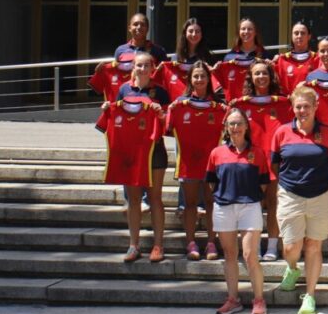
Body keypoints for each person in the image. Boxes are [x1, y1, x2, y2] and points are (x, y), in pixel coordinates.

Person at [271, 84, 328, 314]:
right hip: (290, 194)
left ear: (315, 107)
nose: (302, 111)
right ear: (292, 108)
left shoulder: (327, 133)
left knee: (313, 245)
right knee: (291, 247)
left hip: (320, 195)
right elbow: (276, 163)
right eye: (298, 107)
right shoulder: (281, 132)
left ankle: (310, 295)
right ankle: (292, 268)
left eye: (306, 107)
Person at [206, 108, 269, 314]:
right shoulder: (216, 153)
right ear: (226, 128)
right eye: (231, 124)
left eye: (239, 123)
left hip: (249, 206)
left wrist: (248, 196)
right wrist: (225, 195)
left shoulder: (257, 152)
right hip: (224, 207)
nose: (235, 128)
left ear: (246, 126)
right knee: (230, 254)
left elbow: (263, 183)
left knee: (250, 255)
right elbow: (211, 181)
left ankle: (259, 299)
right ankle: (233, 299)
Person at [112, 52, 171, 262]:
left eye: (147, 66)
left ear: (152, 68)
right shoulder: (123, 90)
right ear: (133, 68)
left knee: (155, 198)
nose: (143, 69)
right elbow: (117, 118)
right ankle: (133, 245)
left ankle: (158, 245)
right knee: (134, 199)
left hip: (155, 150)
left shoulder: (161, 92)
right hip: (131, 151)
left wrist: (162, 114)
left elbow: (169, 126)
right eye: (139, 65)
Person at [231, 60, 292, 262]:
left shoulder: (283, 103)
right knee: (251, 205)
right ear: (251, 78)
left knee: (274, 204)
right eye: (256, 74)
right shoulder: (240, 105)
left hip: (275, 162)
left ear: (270, 76)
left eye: (264, 73)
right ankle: (253, 246)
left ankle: (273, 246)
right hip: (250, 162)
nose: (261, 77)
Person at [165, 61, 226, 261]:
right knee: (189, 204)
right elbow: (168, 130)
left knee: (211, 203)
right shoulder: (178, 106)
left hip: (212, 164)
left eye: (203, 76)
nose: (199, 80)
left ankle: (211, 241)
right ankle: (190, 242)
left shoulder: (220, 108)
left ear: (209, 79)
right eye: (196, 76)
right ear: (190, 80)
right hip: (188, 163)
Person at [157, 18, 216, 101]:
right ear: (185, 33)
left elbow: (213, 83)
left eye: (197, 31)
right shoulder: (175, 58)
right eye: (191, 31)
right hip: (179, 103)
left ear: (202, 34)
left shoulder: (208, 58)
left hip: (201, 102)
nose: (194, 34)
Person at [215, 18, 266, 103]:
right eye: (243, 29)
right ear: (238, 32)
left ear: (255, 32)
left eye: (250, 29)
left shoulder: (264, 55)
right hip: (235, 105)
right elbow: (223, 85)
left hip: (258, 104)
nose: (246, 32)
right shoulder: (229, 57)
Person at [274, 21, 318, 95]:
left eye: (303, 33)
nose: (299, 36)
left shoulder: (317, 58)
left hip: (311, 104)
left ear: (309, 36)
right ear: (292, 36)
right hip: (289, 105)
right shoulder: (282, 60)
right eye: (296, 33)